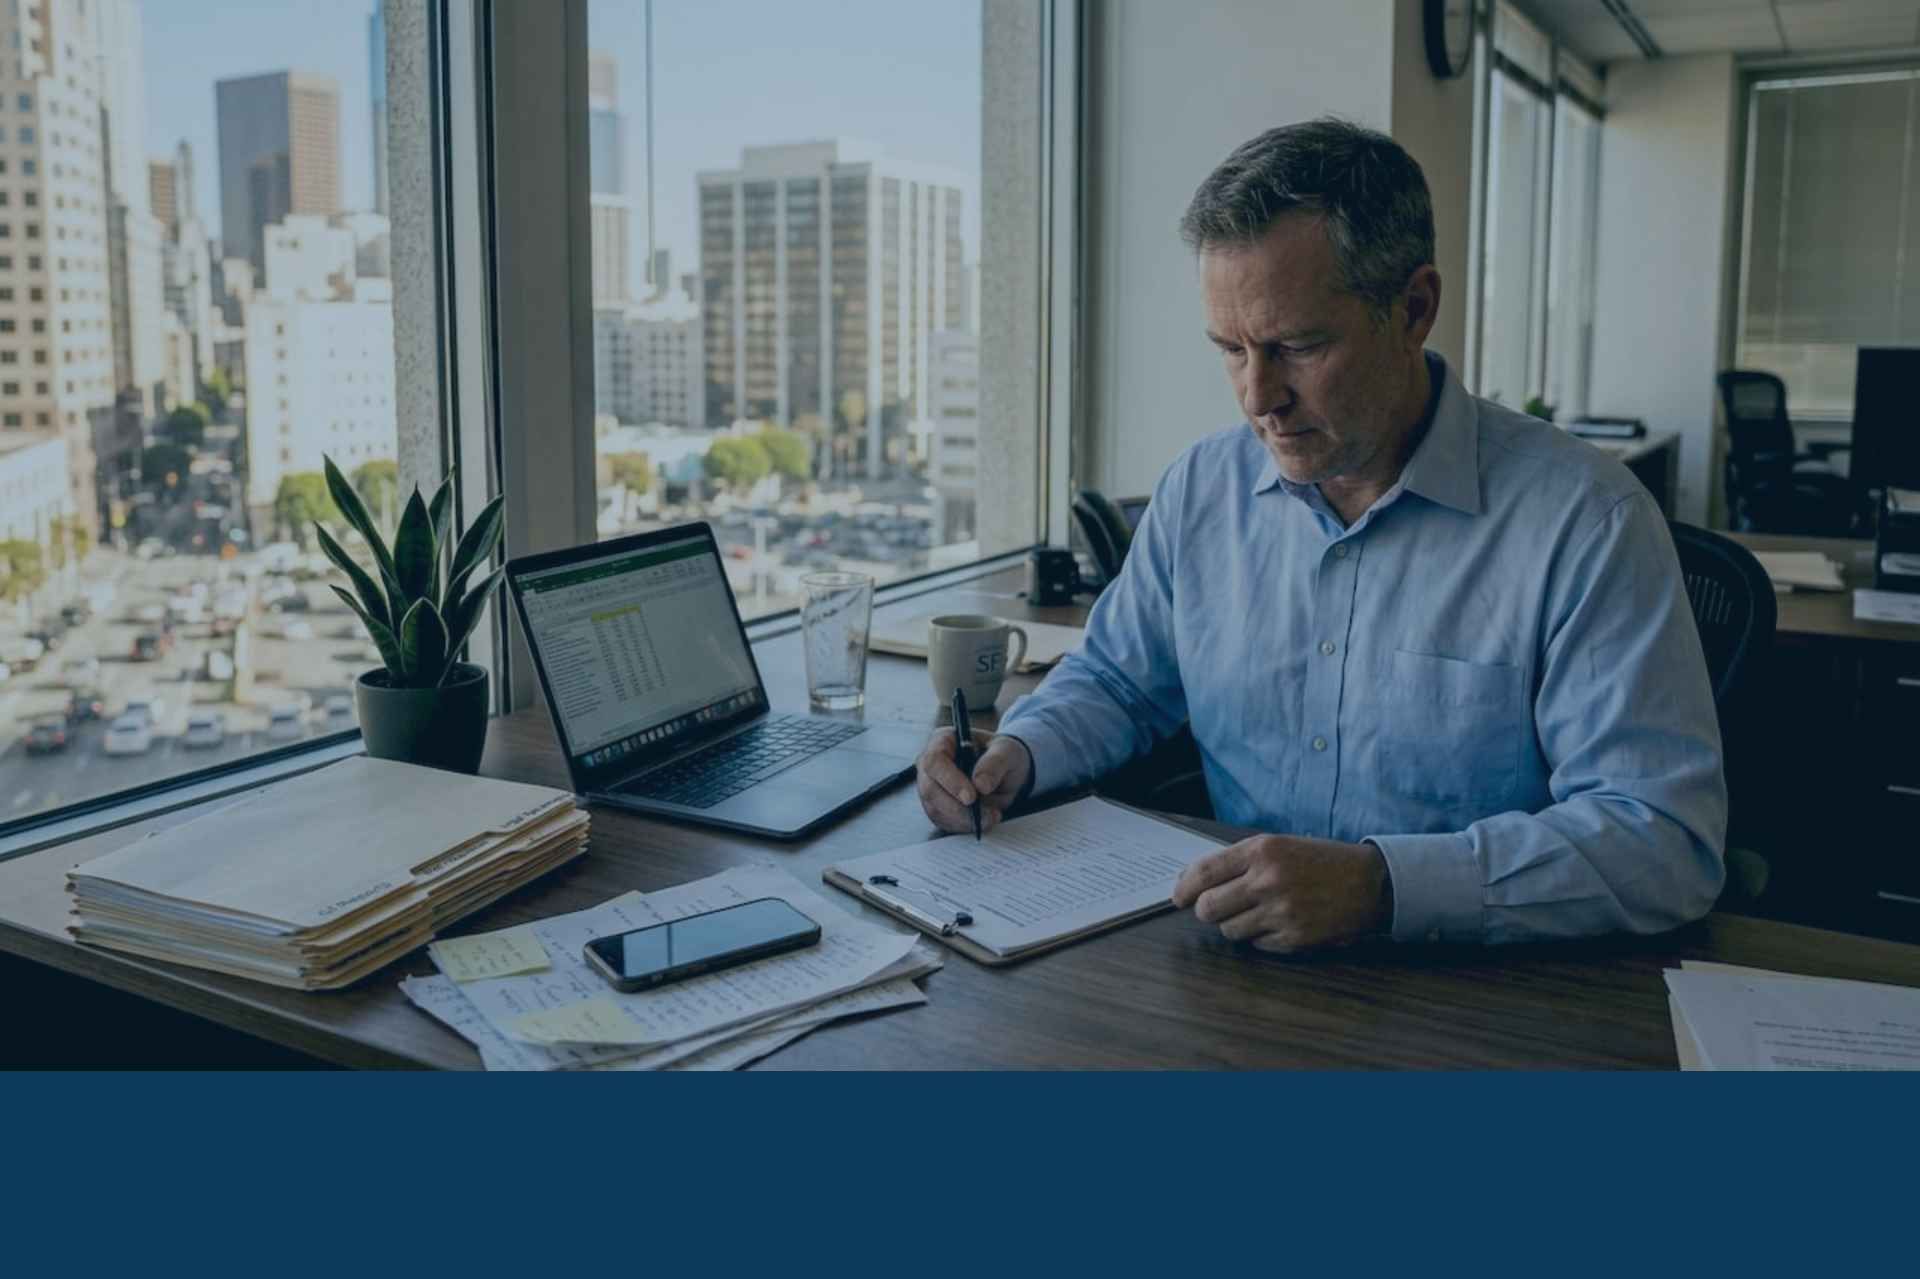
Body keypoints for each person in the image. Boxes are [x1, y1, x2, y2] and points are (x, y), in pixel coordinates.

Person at [916, 118, 1726, 951]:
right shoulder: (1203, 489)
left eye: (1296, 346)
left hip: (1478, 997)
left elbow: (1663, 838)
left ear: (1414, 309)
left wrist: (1385, 885)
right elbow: (1120, 680)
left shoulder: (1586, 523)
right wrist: (1019, 749)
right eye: (1230, 349)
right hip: (1231, 971)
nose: (1257, 396)